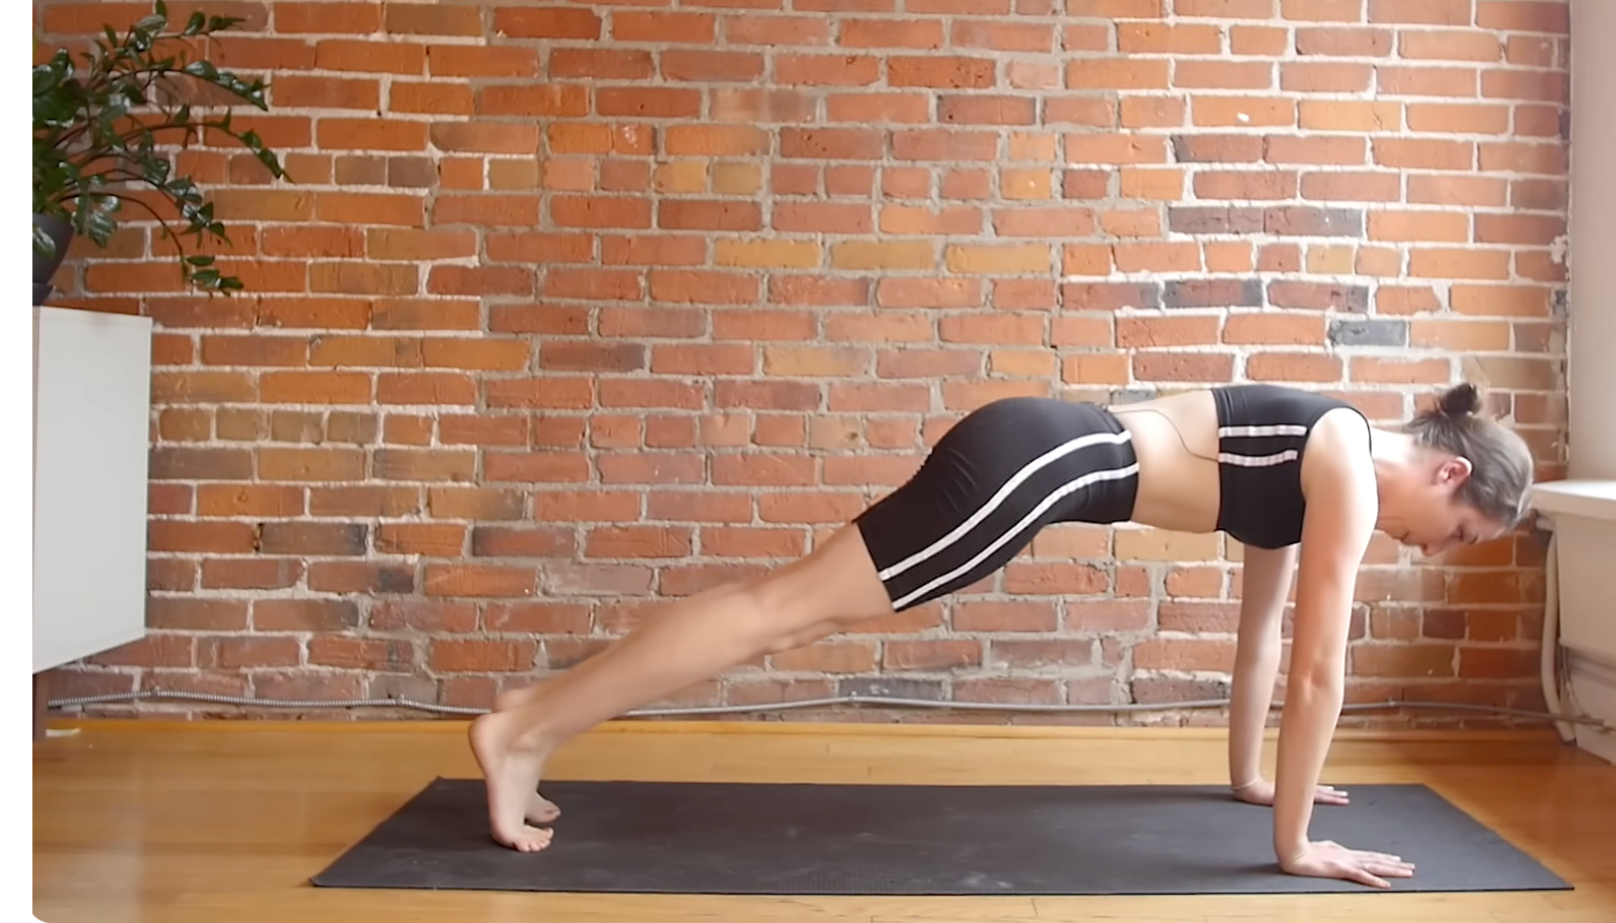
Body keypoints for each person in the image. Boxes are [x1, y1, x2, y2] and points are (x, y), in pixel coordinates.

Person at [469, 380, 1535, 889]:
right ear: (1449, 472)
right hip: (1036, 465)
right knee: (776, 616)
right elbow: (1318, 672)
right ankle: (522, 733)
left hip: (1035, 457)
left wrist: (1255, 783)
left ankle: (531, 717)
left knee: (782, 618)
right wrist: (1297, 849)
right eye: (1458, 535)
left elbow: (1263, 641)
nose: (1434, 551)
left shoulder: (1325, 457)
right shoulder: (1348, 464)